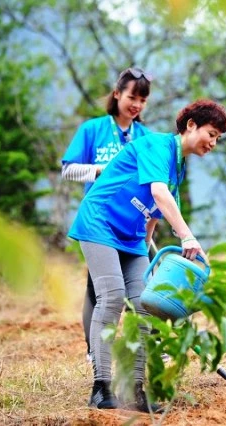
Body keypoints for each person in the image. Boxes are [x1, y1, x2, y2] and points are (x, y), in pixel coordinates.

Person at [67, 99, 226, 411]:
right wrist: (186, 235)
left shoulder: (177, 167)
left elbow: (153, 214)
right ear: (191, 125)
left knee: (144, 305)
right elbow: (158, 193)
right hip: (99, 221)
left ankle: (135, 391)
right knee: (112, 296)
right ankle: (101, 388)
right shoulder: (157, 145)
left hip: (130, 237)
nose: (213, 142)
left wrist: (146, 254)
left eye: (218, 138)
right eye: (211, 133)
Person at [62, 68, 152, 363]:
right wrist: (101, 170)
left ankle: (138, 351)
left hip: (132, 224)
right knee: (99, 287)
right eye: (131, 97)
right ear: (117, 94)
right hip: (99, 222)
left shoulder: (146, 137)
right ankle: (95, 350)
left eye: (142, 99)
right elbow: (68, 169)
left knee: (137, 289)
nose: (136, 104)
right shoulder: (93, 129)